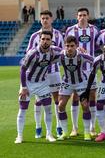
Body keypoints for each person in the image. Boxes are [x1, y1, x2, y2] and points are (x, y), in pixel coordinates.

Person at [15, 31, 61, 144]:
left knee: (48, 109)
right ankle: (19, 136)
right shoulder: (32, 53)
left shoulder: (53, 52)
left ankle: (49, 134)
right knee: (23, 109)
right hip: (28, 83)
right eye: (43, 39)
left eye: (48, 39)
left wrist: (78, 49)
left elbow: (65, 52)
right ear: (39, 40)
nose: (45, 41)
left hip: (43, 83)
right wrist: (23, 87)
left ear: (51, 41)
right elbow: (23, 69)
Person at [26, 10, 64, 138]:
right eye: (42, 18)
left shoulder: (58, 35)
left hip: (54, 72)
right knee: (38, 101)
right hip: (39, 74)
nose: (45, 20)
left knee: (57, 100)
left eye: (47, 18)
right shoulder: (34, 36)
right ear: (40, 20)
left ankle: (59, 126)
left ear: (51, 19)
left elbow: (63, 53)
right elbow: (28, 54)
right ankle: (38, 127)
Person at [65, 7, 99, 137]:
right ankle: (74, 128)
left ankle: (92, 127)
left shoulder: (94, 30)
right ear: (77, 17)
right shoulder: (70, 30)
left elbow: (98, 45)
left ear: (88, 16)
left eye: (84, 15)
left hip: (90, 69)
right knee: (75, 97)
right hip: (75, 70)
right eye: (80, 15)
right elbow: (67, 45)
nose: (82, 17)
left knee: (92, 97)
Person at [56, 36, 94, 141]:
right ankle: (65, 132)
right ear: (64, 46)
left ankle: (87, 132)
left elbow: (95, 62)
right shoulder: (60, 56)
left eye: (72, 46)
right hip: (67, 82)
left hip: (81, 83)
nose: (69, 48)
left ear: (77, 46)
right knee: (61, 105)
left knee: (85, 105)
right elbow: (47, 61)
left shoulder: (82, 55)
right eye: (67, 46)